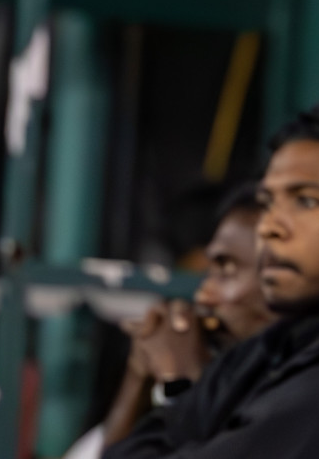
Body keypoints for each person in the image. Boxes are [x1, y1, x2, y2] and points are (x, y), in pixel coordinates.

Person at [103, 104, 319, 459]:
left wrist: (182, 393)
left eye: (305, 201)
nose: (269, 226)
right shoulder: (280, 348)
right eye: (269, 202)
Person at [101, 184, 278, 445]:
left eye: (227, 271)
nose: (204, 295)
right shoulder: (227, 373)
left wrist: (183, 382)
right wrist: (140, 374)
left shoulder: (293, 397)